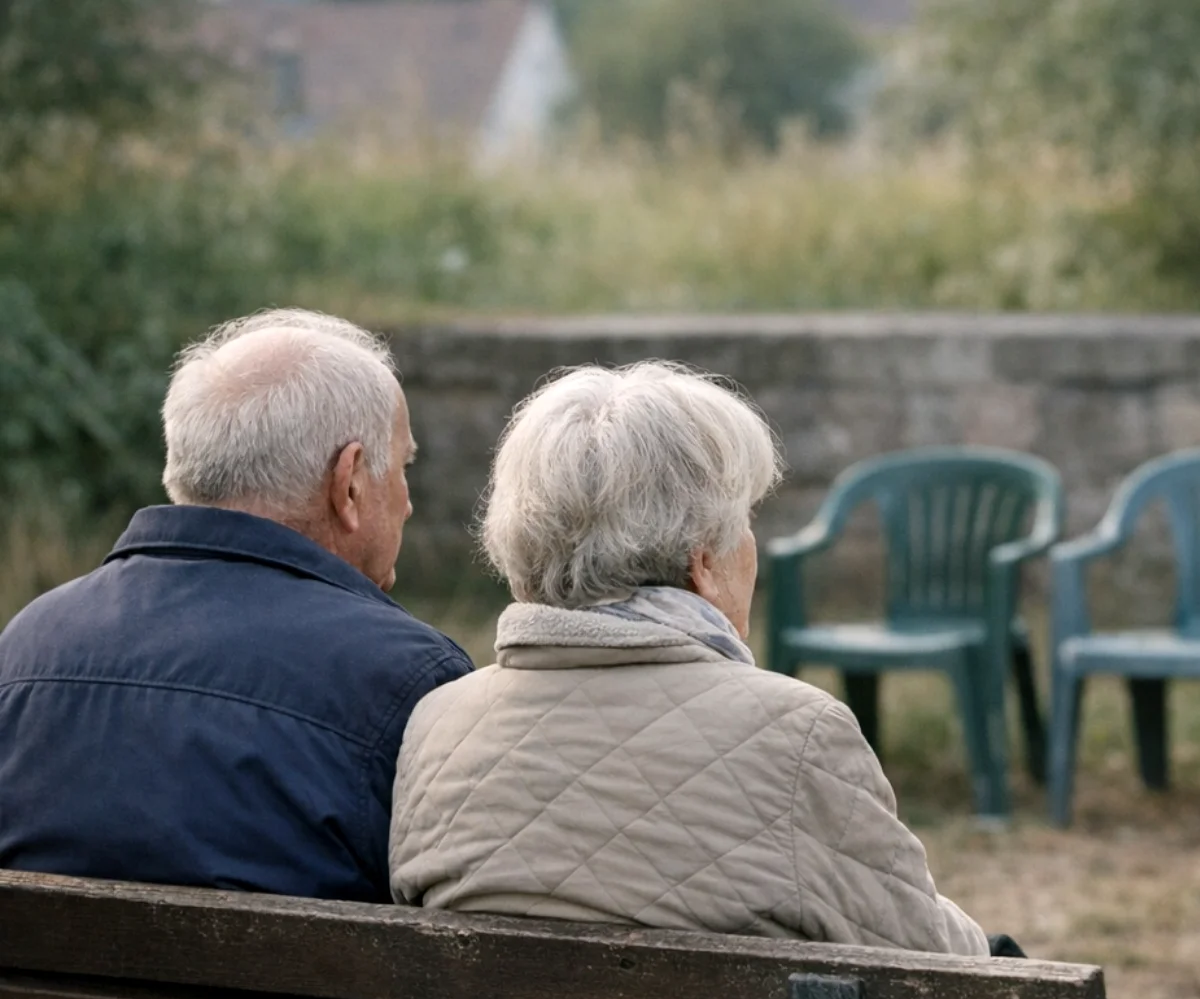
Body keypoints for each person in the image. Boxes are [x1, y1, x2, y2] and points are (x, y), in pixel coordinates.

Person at [389, 362, 991, 956]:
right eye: (746, 520)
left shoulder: (435, 726)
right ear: (703, 564)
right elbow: (936, 959)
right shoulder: (799, 734)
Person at [0, 308, 473, 902]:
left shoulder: (24, 649)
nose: (406, 504)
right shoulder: (411, 684)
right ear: (349, 483)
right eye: (403, 469)